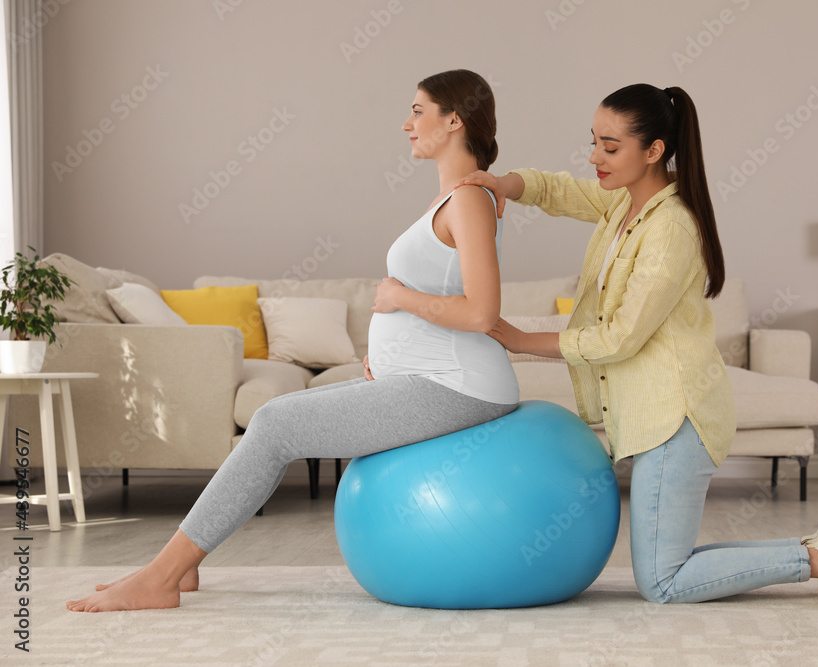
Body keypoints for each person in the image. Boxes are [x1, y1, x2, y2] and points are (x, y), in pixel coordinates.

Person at [67, 69, 519, 612]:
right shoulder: (453, 199)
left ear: (454, 120)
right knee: (271, 418)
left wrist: (400, 301)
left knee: (276, 425)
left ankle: (162, 576)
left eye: (418, 111)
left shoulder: (468, 200)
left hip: (460, 388)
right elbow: (445, 293)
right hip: (431, 378)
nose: (406, 124)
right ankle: (180, 567)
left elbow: (481, 312)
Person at [459, 83, 818, 606]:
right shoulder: (622, 206)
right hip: (651, 418)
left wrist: (520, 339)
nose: (594, 157)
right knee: (666, 569)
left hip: (677, 420)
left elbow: (620, 336)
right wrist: (504, 183)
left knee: (663, 582)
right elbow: (556, 189)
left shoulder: (672, 228)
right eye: (593, 141)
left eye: (610, 147)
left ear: (654, 150)